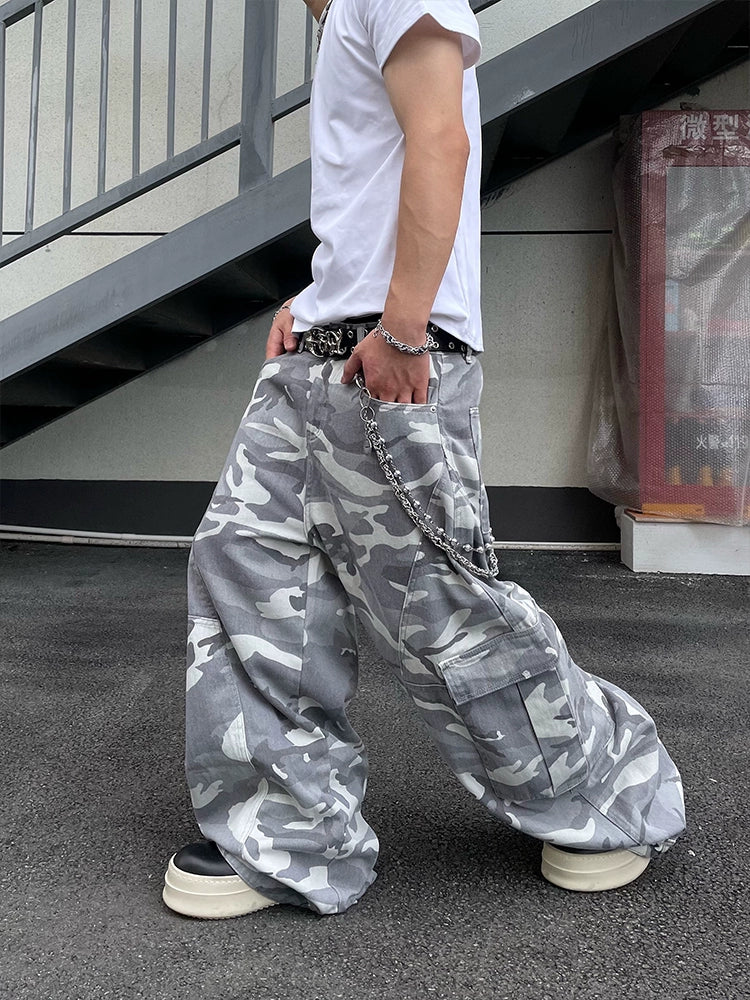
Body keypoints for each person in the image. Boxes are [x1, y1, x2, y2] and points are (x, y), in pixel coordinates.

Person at [162, 0, 685, 919]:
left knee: (446, 611)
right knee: (249, 568)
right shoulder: (344, 15)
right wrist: (318, 303)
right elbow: (376, 187)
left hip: (395, 360)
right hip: (325, 354)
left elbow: (441, 138)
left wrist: (402, 325)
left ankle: (607, 798)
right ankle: (287, 833)